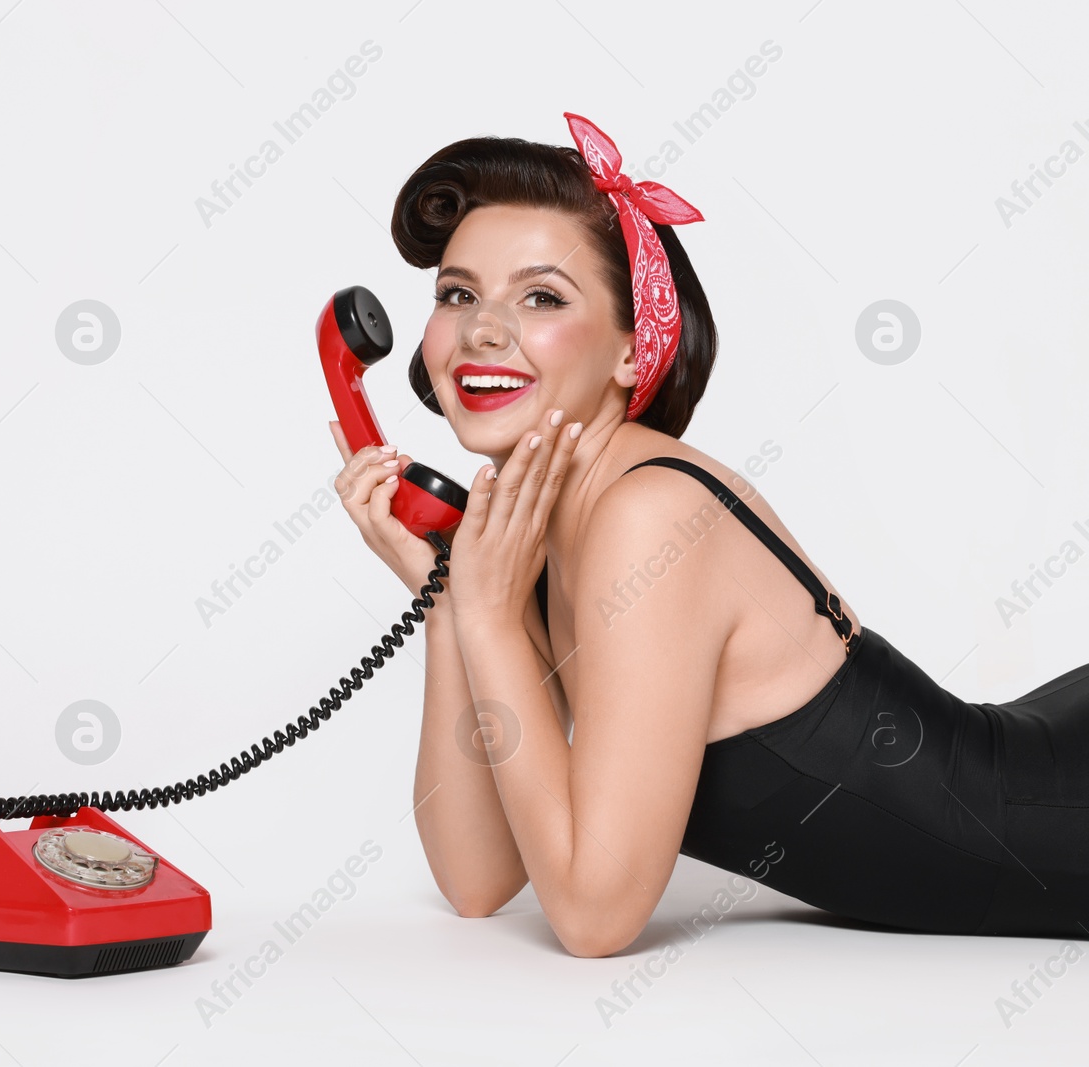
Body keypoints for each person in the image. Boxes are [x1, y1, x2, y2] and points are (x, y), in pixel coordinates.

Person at [328, 114, 1089, 957]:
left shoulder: (647, 517)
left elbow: (592, 916)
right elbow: (479, 878)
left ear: (631, 350)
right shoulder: (531, 530)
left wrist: (488, 616)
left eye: (541, 295)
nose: (479, 329)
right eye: (457, 293)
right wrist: (449, 600)